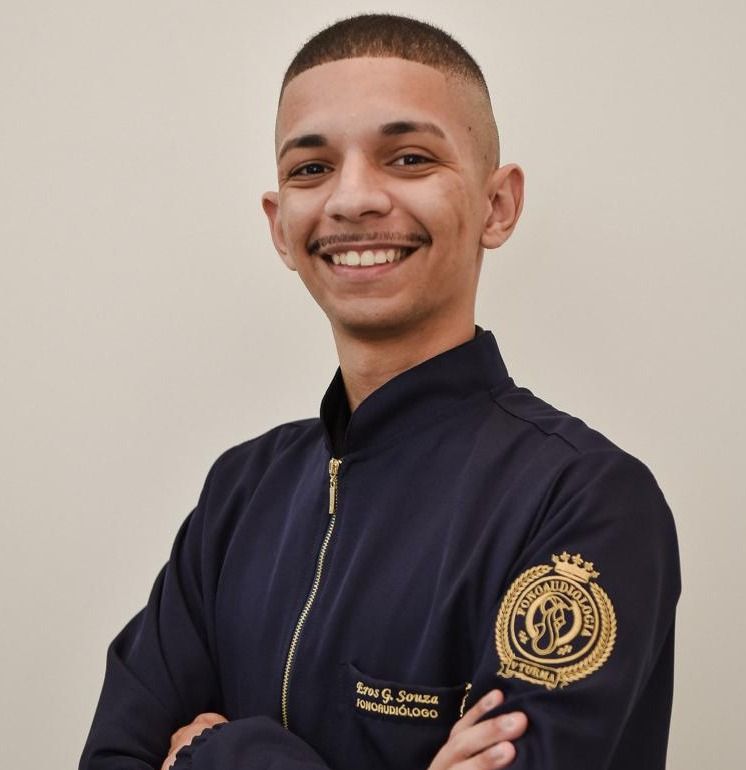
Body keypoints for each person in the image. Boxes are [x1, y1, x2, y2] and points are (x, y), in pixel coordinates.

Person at [79, 13, 680, 770]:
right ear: (280, 226)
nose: (353, 198)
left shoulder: (584, 503)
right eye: (311, 169)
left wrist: (222, 750)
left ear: (497, 206)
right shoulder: (239, 493)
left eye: (408, 158)